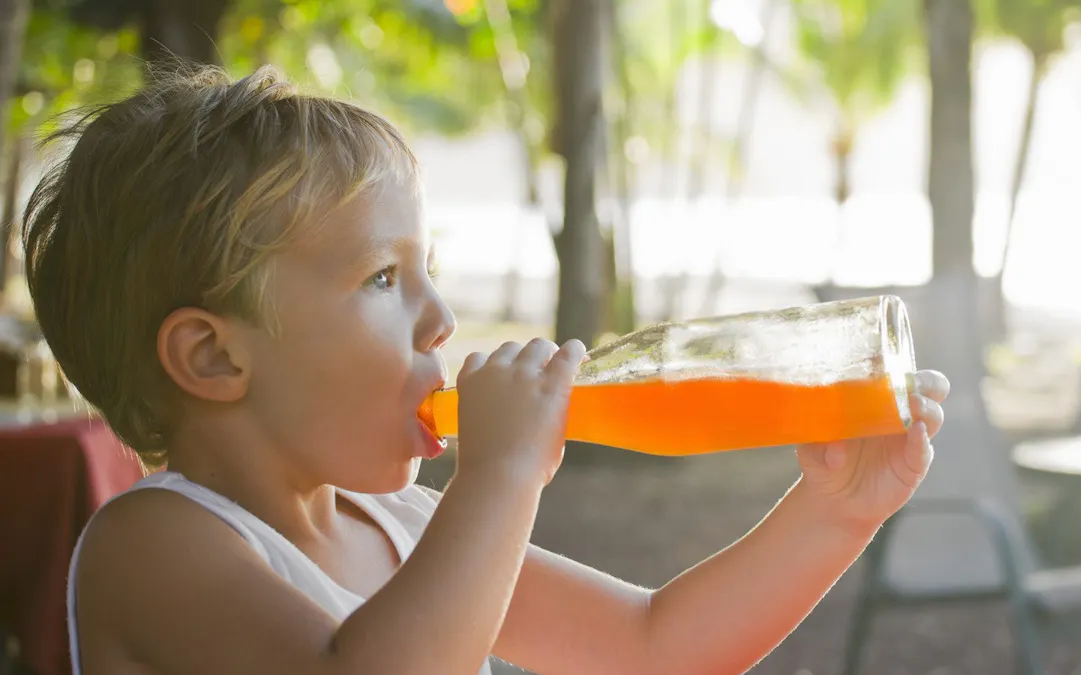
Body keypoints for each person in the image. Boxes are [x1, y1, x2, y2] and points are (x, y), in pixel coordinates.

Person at [24, 65, 950, 675]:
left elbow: (653, 645)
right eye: (383, 279)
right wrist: (500, 477)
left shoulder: (402, 524)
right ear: (214, 355)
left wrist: (836, 511)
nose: (442, 319)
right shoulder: (155, 544)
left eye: (430, 271)